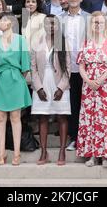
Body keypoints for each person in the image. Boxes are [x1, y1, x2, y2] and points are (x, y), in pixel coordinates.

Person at [76, 12, 107, 168]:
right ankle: (92, 155)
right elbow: (81, 65)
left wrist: (101, 79)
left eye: (100, 22)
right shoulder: (86, 43)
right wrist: (88, 81)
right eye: (95, 22)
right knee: (90, 118)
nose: (97, 25)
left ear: (106, 24)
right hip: (89, 87)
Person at [0, 12, 32, 166]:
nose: (1, 22)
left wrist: (19, 79)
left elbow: (25, 65)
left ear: (12, 22)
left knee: (15, 117)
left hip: (16, 79)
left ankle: (17, 154)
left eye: (4, 20)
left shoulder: (21, 40)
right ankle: (1, 153)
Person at [31, 15, 71, 166]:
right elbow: (33, 67)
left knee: (62, 117)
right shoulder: (36, 41)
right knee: (42, 118)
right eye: (48, 24)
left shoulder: (63, 42)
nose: (51, 26)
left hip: (59, 83)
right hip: (42, 82)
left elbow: (68, 68)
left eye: (54, 24)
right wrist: (38, 87)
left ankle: (62, 151)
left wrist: (61, 88)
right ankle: (43, 151)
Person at [60, 0, 89, 151]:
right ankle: (74, 137)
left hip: (86, 69)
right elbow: (57, 46)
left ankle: (86, 137)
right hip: (67, 69)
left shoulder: (89, 18)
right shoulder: (59, 19)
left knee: (85, 104)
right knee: (71, 104)